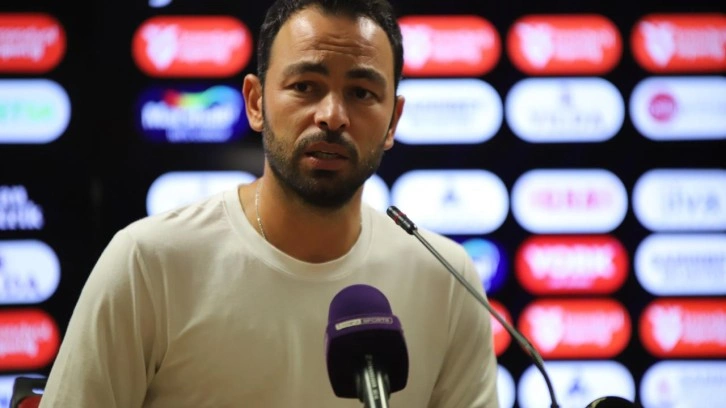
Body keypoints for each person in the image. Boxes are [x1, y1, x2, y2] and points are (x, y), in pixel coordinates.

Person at [39, 0, 499, 406]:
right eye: (305, 86)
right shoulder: (148, 262)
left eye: (361, 93)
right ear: (256, 102)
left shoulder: (447, 278)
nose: (332, 116)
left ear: (393, 120)